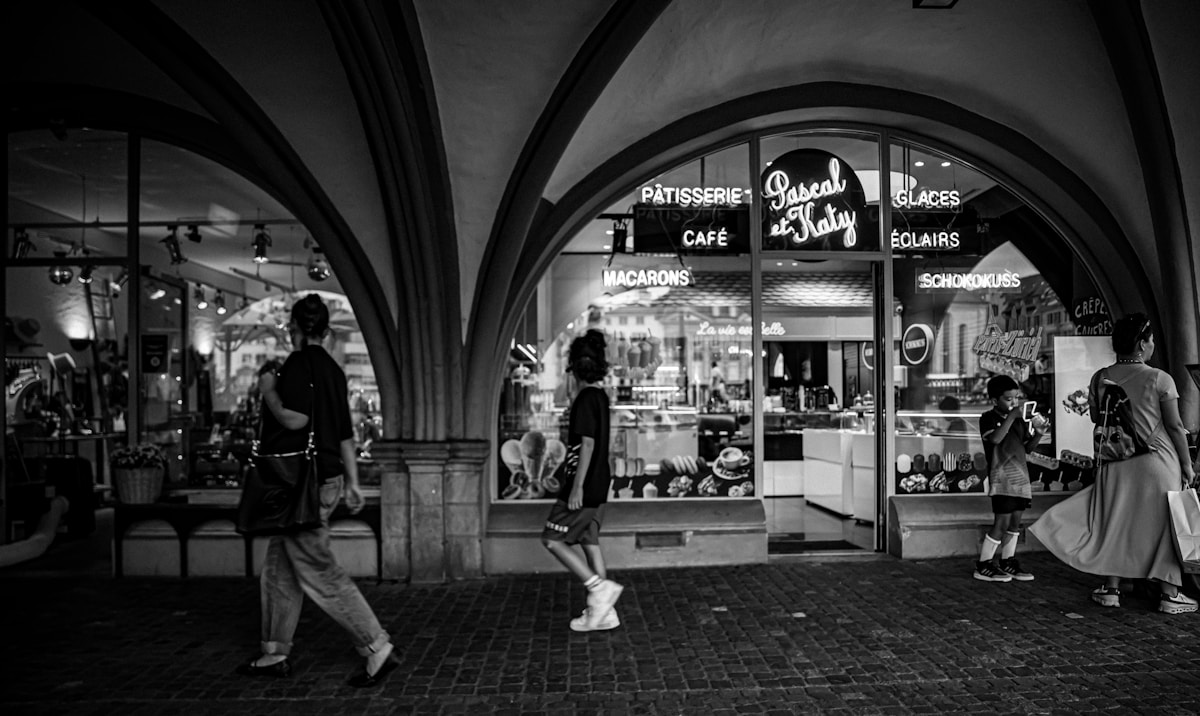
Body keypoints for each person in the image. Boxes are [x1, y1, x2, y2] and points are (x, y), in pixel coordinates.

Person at [235, 294, 398, 686]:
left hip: (301, 484)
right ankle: (274, 650)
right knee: (280, 566)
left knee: (318, 569)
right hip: (325, 478)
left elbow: (294, 419)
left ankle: (377, 645)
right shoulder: (333, 370)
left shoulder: (295, 365)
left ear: (294, 328)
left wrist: (268, 390)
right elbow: (344, 434)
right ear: (325, 332)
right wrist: (354, 482)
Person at [1030, 313, 1198, 613]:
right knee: (1164, 525)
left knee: (1115, 520)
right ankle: (1170, 594)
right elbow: (1174, 426)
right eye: (1151, 340)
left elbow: (1096, 418)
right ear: (1143, 343)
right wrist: (1187, 464)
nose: (1153, 344)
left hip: (1116, 461)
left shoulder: (1100, 377)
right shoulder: (1160, 378)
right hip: (1157, 460)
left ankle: (1111, 588)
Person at [541, 330, 624, 631]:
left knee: (552, 539)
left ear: (573, 367)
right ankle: (605, 614)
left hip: (584, 485)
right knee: (590, 541)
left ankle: (598, 589)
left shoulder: (585, 399)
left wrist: (576, 486)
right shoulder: (599, 396)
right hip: (599, 483)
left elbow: (586, 444)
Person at [973, 375, 1049, 583]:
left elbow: (1027, 449)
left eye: (1016, 398)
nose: (1014, 403)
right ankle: (984, 563)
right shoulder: (988, 418)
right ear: (995, 400)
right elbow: (995, 439)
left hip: (1021, 478)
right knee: (1002, 521)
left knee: (1016, 521)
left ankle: (1008, 560)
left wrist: (1039, 434)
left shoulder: (1019, 421)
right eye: (1008, 399)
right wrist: (1012, 416)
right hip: (1002, 478)